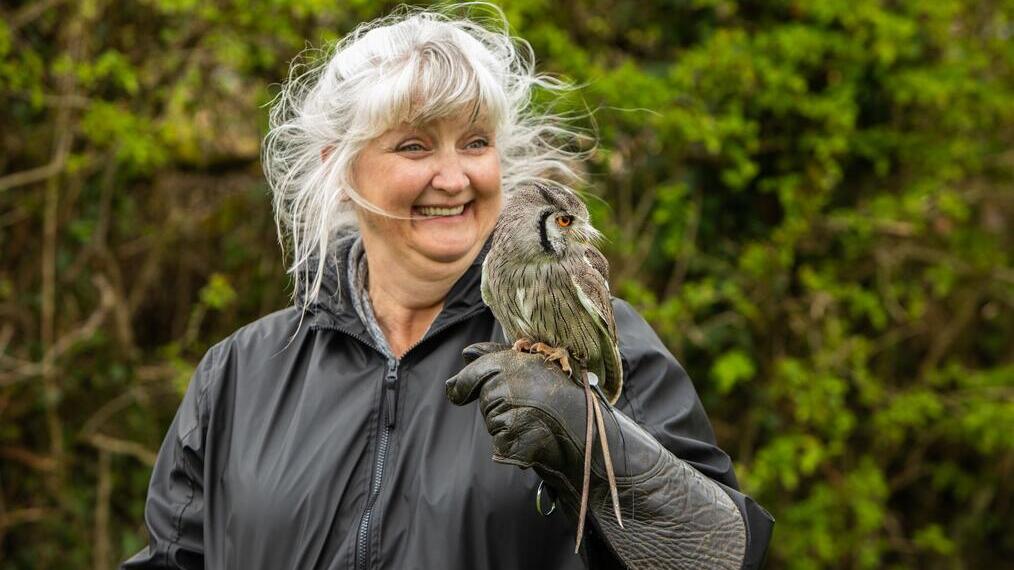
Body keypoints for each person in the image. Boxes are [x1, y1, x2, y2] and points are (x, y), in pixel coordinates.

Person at [122, 5, 773, 569]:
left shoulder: (594, 334)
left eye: (476, 142)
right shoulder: (240, 376)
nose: (455, 177)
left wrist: (597, 445)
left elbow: (723, 553)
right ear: (339, 168)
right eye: (414, 146)